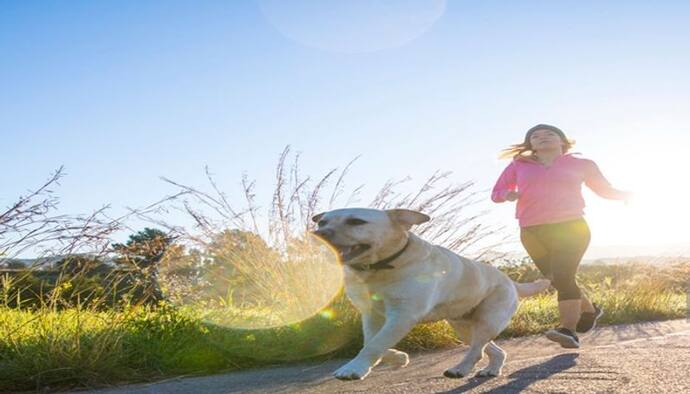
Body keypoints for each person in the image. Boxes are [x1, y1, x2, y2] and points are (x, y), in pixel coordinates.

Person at [491, 124, 631, 348]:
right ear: (530, 145)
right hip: (531, 230)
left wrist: (625, 194)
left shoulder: (582, 164)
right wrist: (507, 194)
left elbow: (603, 189)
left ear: (562, 141)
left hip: (571, 228)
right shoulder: (519, 165)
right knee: (557, 278)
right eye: (535, 136)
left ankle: (568, 330)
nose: (542, 137)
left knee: (563, 276)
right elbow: (496, 193)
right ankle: (590, 309)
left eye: (549, 134)